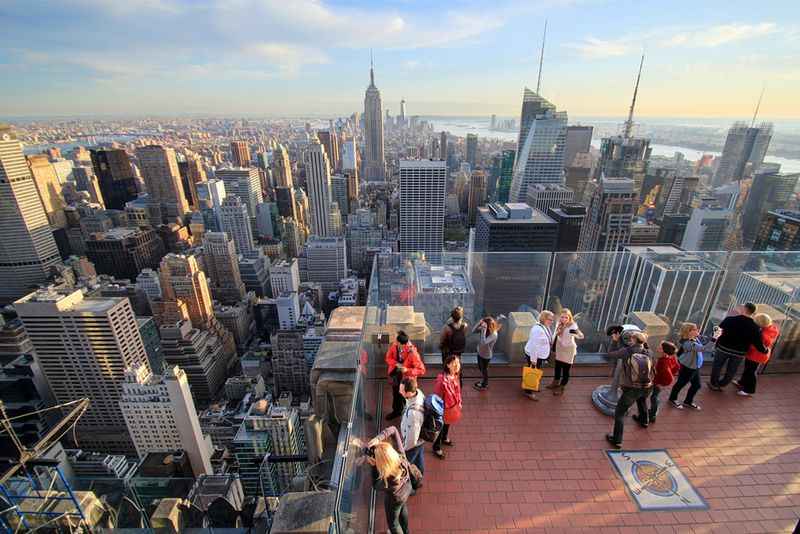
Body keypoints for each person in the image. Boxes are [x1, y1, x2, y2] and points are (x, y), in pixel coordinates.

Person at [606, 331, 652, 448]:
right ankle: (644, 420)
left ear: (633, 340)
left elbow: (611, 354)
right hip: (646, 385)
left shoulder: (627, 351)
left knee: (620, 413)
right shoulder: (648, 352)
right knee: (641, 400)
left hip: (631, 388)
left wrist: (615, 341)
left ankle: (617, 440)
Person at [709, 302, 768, 391]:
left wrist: (713, 341)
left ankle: (714, 383)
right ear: (753, 312)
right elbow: (758, 343)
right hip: (739, 352)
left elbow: (717, 331)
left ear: (744, 309)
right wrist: (765, 350)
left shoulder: (730, 319)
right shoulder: (755, 327)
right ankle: (722, 384)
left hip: (723, 348)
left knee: (717, 366)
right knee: (732, 370)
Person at [367, 426, 412, 534]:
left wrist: (373, 466)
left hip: (395, 498)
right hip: (406, 489)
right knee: (402, 508)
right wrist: (379, 439)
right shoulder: (401, 456)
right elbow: (394, 430)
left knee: (393, 524)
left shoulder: (387, 479)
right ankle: (406, 531)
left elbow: (375, 486)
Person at [668, 322, 716, 411]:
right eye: (694, 329)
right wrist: (714, 338)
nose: (697, 330)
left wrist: (714, 334)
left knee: (697, 385)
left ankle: (688, 401)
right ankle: (672, 398)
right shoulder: (687, 343)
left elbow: (704, 342)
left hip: (695, 367)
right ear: (688, 332)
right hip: (688, 367)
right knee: (681, 383)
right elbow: (703, 348)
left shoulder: (695, 338)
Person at [735, 313, 779, 397]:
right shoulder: (772, 329)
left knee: (751, 372)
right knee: (748, 369)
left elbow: (759, 343)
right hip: (757, 355)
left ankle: (749, 390)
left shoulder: (763, 334)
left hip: (756, 356)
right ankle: (742, 382)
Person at [385, 331, 426, 421]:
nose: (394, 342)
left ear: (400, 343)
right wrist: (396, 364)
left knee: (406, 397)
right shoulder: (394, 346)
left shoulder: (413, 353)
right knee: (396, 393)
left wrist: (408, 370)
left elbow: (422, 370)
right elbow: (388, 358)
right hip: (396, 374)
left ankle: (407, 413)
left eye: (396, 340)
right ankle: (397, 411)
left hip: (407, 378)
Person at [639, 341, 679, 425]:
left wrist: (659, 383)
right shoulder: (672, 357)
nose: (658, 347)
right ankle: (653, 414)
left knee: (652, 398)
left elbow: (669, 378)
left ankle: (651, 415)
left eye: (660, 347)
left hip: (657, 383)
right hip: (659, 382)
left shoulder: (662, 362)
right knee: (655, 397)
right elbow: (677, 367)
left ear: (664, 350)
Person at [548, 309, 583, 396]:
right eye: (562, 317)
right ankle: (555, 382)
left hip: (568, 350)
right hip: (560, 348)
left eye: (566, 317)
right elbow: (555, 335)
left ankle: (562, 387)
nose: (564, 319)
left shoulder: (572, 326)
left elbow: (580, 336)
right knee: (557, 367)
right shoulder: (559, 324)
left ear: (569, 318)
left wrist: (577, 333)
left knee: (566, 370)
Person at [433, 354, 462, 459]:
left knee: (448, 424)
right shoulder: (442, 380)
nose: (457, 365)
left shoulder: (455, 376)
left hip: (452, 407)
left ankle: (444, 438)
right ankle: (436, 447)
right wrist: (438, 410)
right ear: (448, 365)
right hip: (443, 408)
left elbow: (457, 391)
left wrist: (459, 402)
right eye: (454, 363)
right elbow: (437, 396)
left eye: (458, 363)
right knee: (440, 427)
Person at [523, 310, 555, 401]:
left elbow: (549, 338)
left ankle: (532, 387)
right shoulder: (538, 329)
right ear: (544, 318)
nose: (551, 321)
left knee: (535, 372)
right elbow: (534, 345)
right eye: (550, 319)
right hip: (534, 356)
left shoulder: (545, 326)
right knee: (532, 372)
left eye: (552, 320)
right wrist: (533, 360)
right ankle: (528, 391)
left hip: (539, 355)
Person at [399, 377, 426, 475]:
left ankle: (413, 482)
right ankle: (420, 474)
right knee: (419, 458)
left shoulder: (413, 414)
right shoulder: (418, 392)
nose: (399, 392)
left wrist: (404, 449)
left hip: (412, 445)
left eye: (402, 390)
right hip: (420, 440)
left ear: (409, 393)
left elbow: (412, 439)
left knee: (407, 465)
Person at [472, 316, 501, 391]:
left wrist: (484, 330)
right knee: (481, 368)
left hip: (486, 355)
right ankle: (483, 381)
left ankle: (485, 384)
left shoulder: (494, 334)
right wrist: (479, 323)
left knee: (484, 370)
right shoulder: (484, 328)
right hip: (479, 351)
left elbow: (484, 342)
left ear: (488, 326)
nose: (483, 325)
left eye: (485, 324)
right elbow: (473, 331)